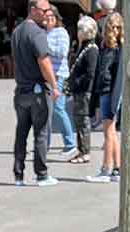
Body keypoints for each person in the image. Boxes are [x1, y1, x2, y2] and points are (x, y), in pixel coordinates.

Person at [10, 0, 59, 188]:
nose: (47, 13)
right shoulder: (37, 33)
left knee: (21, 133)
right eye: (44, 10)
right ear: (33, 10)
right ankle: (42, 174)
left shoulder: (17, 32)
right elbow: (44, 61)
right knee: (40, 133)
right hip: (37, 91)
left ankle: (18, 175)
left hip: (21, 91)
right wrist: (54, 86)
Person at [87, 8, 122, 183]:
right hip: (104, 92)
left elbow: (117, 77)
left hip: (110, 93)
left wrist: (116, 100)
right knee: (111, 132)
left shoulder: (118, 49)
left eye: (118, 27)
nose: (115, 30)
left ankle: (105, 169)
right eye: (113, 27)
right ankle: (116, 169)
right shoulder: (105, 47)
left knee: (108, 132)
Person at [43, 7, 75, 157]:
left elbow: (62, 52)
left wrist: (45, 49)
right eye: (46, 16)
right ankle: (45, 144)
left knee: (58, 109)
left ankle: (70, 144)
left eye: (51, 16)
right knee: (45, 112)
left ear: (56, 18)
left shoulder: (61, 32)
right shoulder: (43, 33)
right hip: (45, 76)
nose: (49, 19)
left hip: (58, 76)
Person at [66, 14, 98, 165]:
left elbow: (90, 73)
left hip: (84, 92)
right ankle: (80, 149)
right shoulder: (83, 46)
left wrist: (78, 84)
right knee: (78, 120)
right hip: (79, 91)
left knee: (83, 121)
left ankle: (85, 151)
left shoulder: (91, 49)